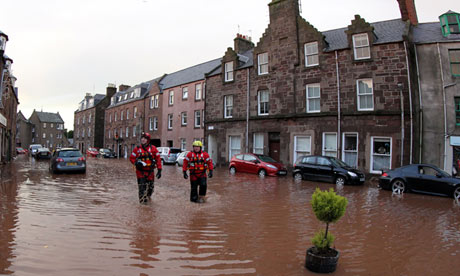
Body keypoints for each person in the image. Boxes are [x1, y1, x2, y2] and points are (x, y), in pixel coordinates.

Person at [129, 132, 162, 204]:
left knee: (151, 189)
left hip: (150, 172)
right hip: (140, 172)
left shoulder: (153, 149)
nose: (143, 140)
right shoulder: (137, 149)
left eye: (145, 138)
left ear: (148, 140)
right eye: (142, 138)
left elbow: (158, 159)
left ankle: (148, 197)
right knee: (142, 190)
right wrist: (136, 163)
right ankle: (143, 207)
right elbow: (132, 158)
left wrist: (159, 170)